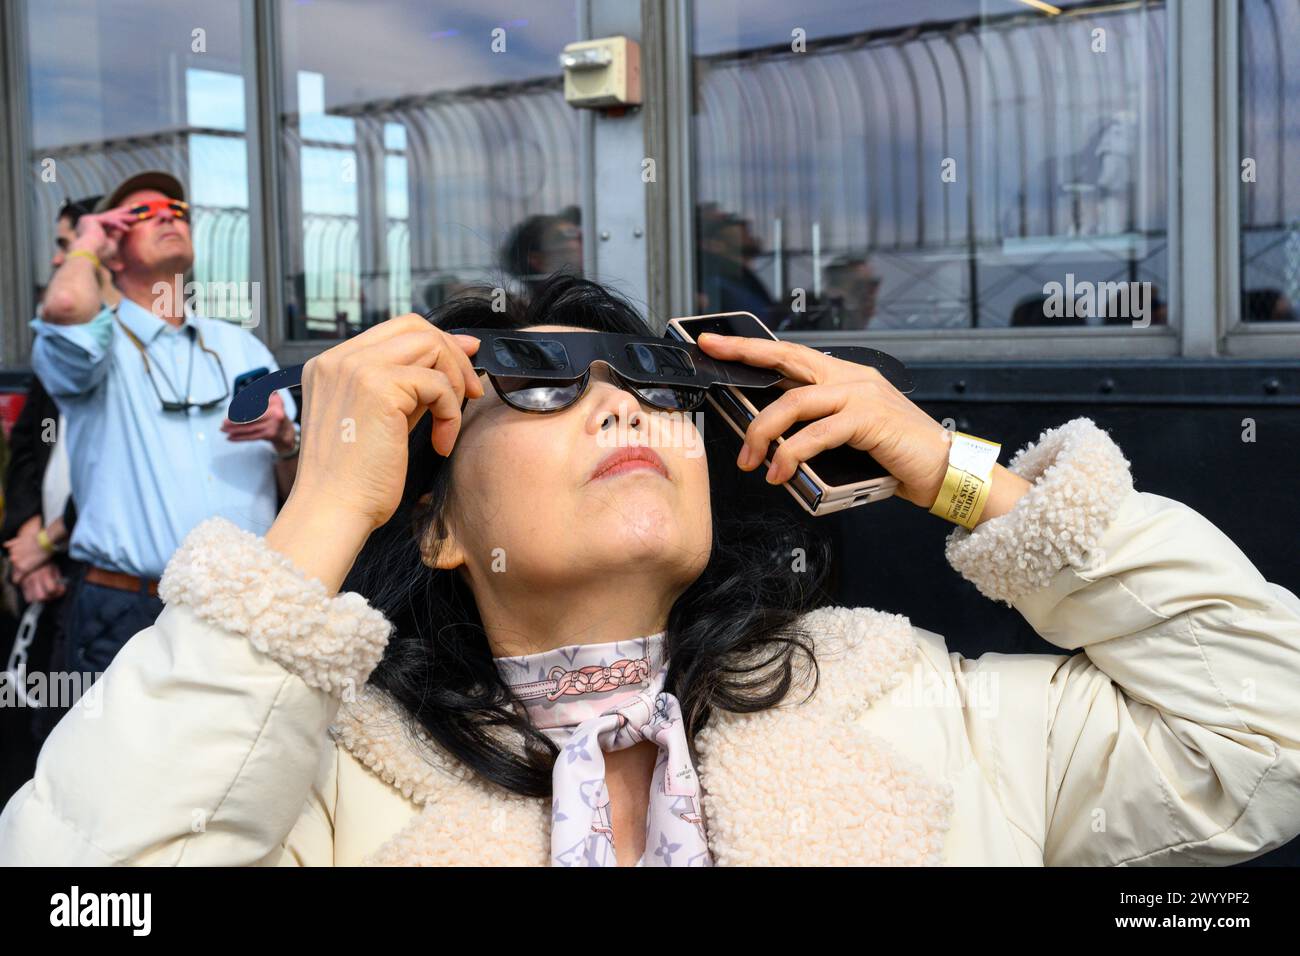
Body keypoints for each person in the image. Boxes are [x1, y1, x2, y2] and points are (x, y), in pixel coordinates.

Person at [1, 273, 1298, 866]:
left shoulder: (926, 712)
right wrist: (325, 513)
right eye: (540, 381)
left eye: (652, 385)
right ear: (440, 522)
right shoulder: (319, 791)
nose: (620, 409)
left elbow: (1268, 730)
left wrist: (957, 469)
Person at [28, 170, 300, 680]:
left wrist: (286, 442)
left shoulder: (242, 346)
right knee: (119, 761)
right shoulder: (95, 349)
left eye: (176, 211)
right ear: (112, 248)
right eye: (141, 214)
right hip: (128, 610)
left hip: (248, 607)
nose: (168, 217)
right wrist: (87, 239)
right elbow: (65, 306)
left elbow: (298, 486)